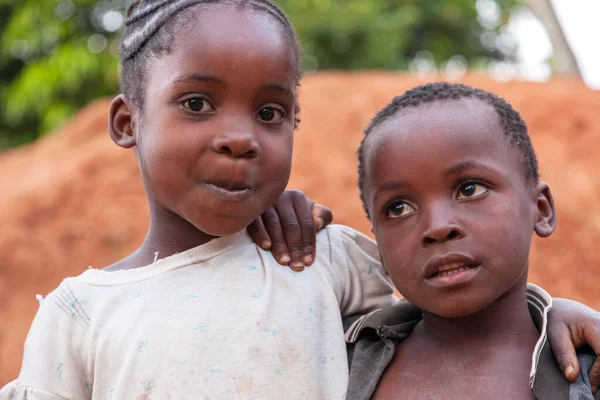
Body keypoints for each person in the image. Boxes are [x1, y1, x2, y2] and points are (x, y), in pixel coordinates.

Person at [2, 1, 600, 398]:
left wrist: (550, 313)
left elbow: (452, 300)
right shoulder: (81, 313)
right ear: (127, 121)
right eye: (196, 104)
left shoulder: (318, 256)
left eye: (269, 113)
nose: (239, 137)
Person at [343, 82, 600, 399]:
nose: (437, 227)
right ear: (379, 245)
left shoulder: (589, 370)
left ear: (541, 209)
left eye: (469, 189)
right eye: (399, 208)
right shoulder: (339, 362)